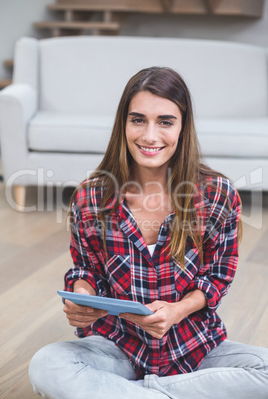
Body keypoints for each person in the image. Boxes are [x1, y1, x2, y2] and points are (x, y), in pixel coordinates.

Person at [29, 67, 268, 399]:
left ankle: (135, 393)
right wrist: (80, 295)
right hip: (118, 347)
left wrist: (177, 311)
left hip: (194, 348)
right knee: (47, 365)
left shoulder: (216, 194)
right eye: (138, 120)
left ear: (183, 127)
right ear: (123, 124)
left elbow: (217, 277)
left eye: (166, 122)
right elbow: (86, 270)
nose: (150, 136)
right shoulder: (91, 197)